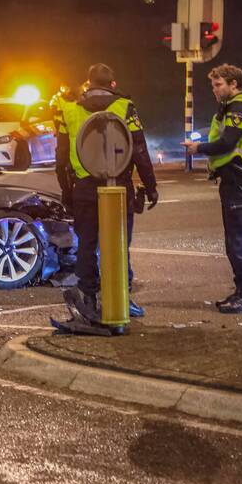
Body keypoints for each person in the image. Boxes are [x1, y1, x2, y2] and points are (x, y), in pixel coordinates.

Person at [54, 63, 159, 325]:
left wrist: (66, 191)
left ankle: (89, 298)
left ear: (88, 83)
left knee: (86, 244)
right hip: (118, 185)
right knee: (119, 244)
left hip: (84, 186)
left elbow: (61, 156)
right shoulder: (125, 106)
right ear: (113, 84)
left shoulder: (68, 109)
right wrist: (151, 186)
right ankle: (122, 298)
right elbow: (139, 149)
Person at [182, 64, 242, 314]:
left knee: (239, 239)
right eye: (213, 85)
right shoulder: (230, 107)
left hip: (241, 179)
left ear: (233, 84)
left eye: (218, 85)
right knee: (235, 238)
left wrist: (199, 148)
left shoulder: (240, 106)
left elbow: (228, 142)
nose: (214, 90)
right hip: (235, 179)